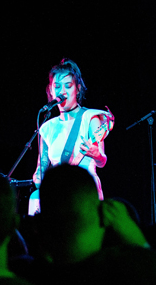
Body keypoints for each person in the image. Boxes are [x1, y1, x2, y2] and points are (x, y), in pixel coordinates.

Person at [31, 58, 114, 214]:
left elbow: (102, 161)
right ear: (50, 90)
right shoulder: (47, 127)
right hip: (58, 197)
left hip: (85, 192)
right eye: (57, 86)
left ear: (78, 88)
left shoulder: (90, 118)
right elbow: (41, 166)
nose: (62, 91)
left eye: (68, 86)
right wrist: (38, 177)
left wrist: (96, 154)